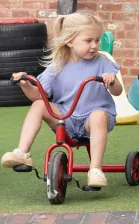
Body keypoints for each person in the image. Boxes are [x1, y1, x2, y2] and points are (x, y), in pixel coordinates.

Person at [3, 13, 122, 188]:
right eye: (88, 40)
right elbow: (39, 95)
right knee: (39, 104)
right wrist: (25, 85)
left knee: (98, 115)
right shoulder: (57, 66)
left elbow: (117, 91)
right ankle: (22, 152)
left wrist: (111, 81)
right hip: (67, 119)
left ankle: (95, 169)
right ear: (70, 41)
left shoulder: (102, 63)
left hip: (95, 119)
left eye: (97, 40)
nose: (94, 46)